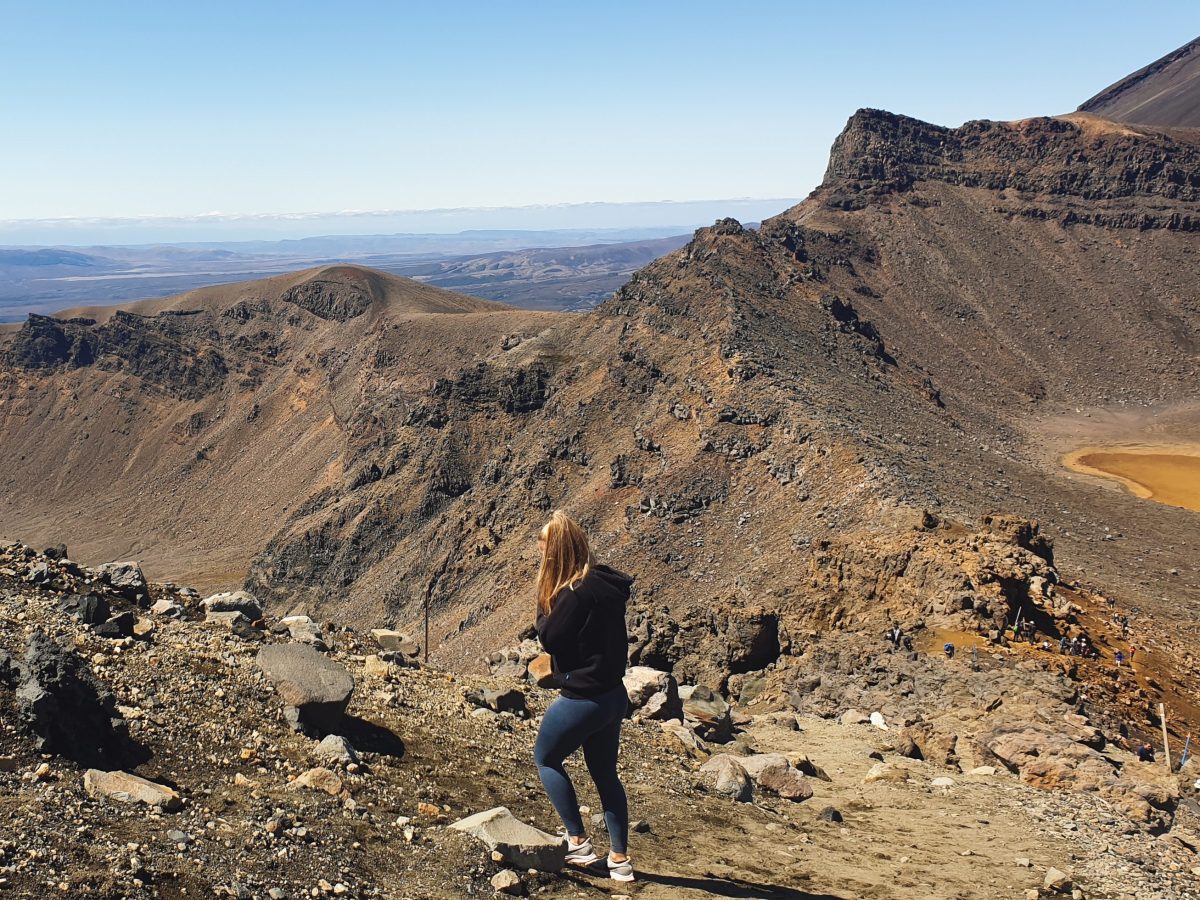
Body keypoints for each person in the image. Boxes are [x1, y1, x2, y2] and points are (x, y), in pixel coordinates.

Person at [532, 510, 635, 883]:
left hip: (583, 697)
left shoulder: (573, 594)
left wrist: (545, 602)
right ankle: (620, 860)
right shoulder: (603, 584)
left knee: (546, 758)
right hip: (612, 695)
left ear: (555, 549)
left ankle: (577, 841)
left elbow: (549, 637)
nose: (538, 549)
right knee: (605, 773)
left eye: (542, 543)